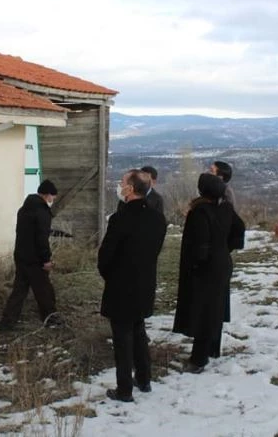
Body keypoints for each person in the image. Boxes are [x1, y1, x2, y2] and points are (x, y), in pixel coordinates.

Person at [98, 170, 167, 402]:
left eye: (122, 182)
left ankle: (124, 389)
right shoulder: (157, 218)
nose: (120, 186)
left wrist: (109, 275)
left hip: (121, 285)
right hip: (145, 283)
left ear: (130, 188)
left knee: (122, 338)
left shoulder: (120, 219)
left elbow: (105, 256)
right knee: (138, 331)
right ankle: (144, 379)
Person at [172, 173, 245, 373]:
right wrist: (225, 248)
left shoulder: (200, 212)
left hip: (205, 269)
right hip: (222, 264)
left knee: (203, 312)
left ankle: (199, 359)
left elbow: (200, 244)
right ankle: (212, 349)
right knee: (215, 309)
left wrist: (198, 262)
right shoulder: (226, 208)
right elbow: (240, 228)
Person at [0, 180, 61, 331]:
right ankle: (51, 319)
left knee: (19, 292)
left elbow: (28, 232)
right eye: (53, 196)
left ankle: (7, 323)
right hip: (35, 260)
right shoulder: (42, 212)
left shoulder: (24, 209)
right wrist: (46, 260)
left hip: (21, 256)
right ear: (47, 195)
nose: (53, 200)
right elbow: (41, 238)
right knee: (44, 291)